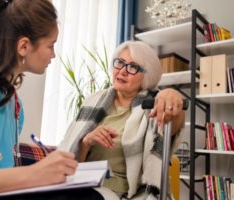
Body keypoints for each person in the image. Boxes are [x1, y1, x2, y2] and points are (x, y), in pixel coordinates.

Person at [0, 0, 103, 199]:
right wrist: (33, 174)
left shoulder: (12, 101)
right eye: (50, 45)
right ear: (24, 46)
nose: (53, 55)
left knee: (87, 196)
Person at [58, 40, 185, 199]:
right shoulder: (93, 101)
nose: (123, 71)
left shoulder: (153, 106)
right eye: (120, 63)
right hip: (84, 184)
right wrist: (86, 142)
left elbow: (173, 125)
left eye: (133, 67)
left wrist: (172, 97)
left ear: (146, 76)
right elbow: (71, 163)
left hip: (125, 193)